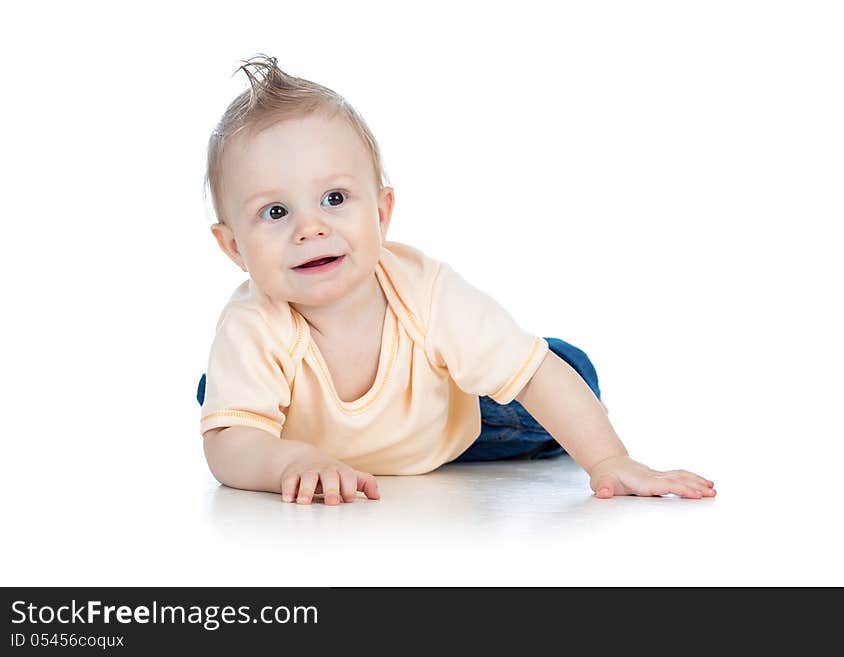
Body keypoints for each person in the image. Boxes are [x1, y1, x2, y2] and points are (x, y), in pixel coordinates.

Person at [198, 54, 716, 506]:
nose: (310, 228)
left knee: (564, 368)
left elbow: (533, 374)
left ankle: (555, 400)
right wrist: (289, 464)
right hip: (310, 438)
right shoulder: (254, 324)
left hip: (445, 429)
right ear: (234, 247)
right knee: (223, 407)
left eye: (335, 199)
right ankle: (260, 420)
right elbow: (228, 449)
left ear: (381, 212)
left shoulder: (424, 292)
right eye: (275, 211)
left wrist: (611, 461)